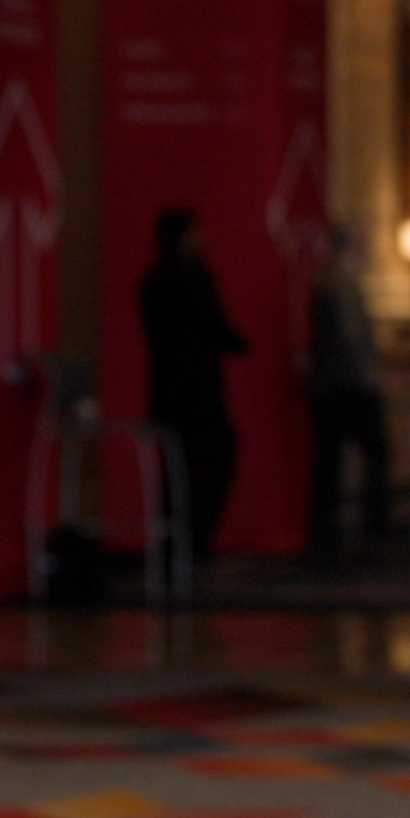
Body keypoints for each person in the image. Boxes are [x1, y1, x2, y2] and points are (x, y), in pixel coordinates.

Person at [141, 207, 248, 558]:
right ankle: (194, 540)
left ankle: (173, 545)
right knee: (217, 459)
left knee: (176, 468)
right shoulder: (195, 277)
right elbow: (214, 326)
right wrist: (241, 342)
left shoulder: (154, 280)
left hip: (167, 393)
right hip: (199, 393)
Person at [308, 224, 390, 558]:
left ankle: (325, 533)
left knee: (329, 461)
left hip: (331, 386)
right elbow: (351, 337)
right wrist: (370, 377)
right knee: (375, 454)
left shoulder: (328, 280)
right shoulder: (344, 283)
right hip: (350, 387)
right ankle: (374, 528)